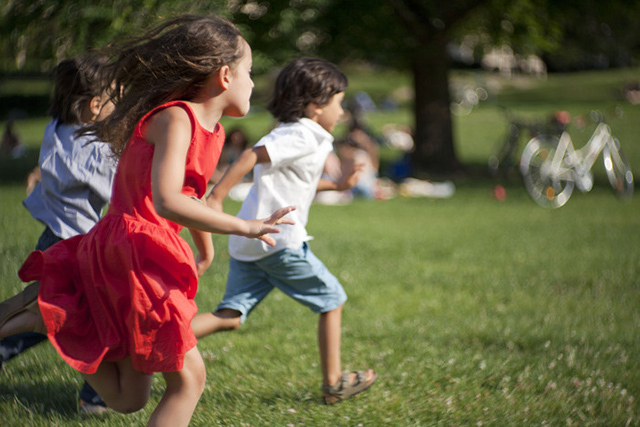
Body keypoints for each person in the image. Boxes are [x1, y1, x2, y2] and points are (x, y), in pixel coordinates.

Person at [0, 14, 294, 426]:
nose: (252, 82)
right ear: (225, 76)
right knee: (189, 380)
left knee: (127, 398)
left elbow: (191, 198)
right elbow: (168, 200)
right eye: (249, 71)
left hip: (146, 250)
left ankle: (53, 319)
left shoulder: (215, 131)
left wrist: (204, 248)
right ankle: (50, 314)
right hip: (135, 250)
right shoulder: (176, 119)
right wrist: (246, 226)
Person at [192, 57, 377, 405]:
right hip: (279, 241)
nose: (342, 112)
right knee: (332, 299)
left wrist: (336, 185)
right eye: (338, 103)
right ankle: (333, 383)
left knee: (229, 317)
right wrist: (215, 198)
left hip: (250, 244)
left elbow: (299, 182)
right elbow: (250, 156)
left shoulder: (300, 133)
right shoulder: (302, 134)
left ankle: (152, 343)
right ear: (315, 106)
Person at [0, 53, 117, 414]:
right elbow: (121, 189)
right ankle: (95, 398)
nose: (121, 104)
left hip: (53, 240)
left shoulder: (56, 126)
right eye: (117, 97)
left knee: (49, 312)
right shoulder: (98, 151)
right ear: (95, 105)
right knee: (98, 316)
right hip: (78, 247)